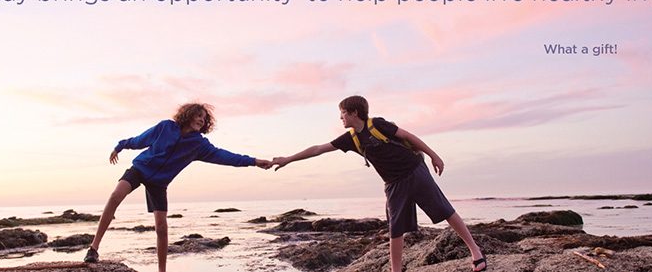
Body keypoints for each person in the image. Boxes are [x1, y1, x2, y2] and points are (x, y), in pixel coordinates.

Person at [272, 95, 487, 272]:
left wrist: (434, 155)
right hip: (393, 184)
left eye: (343, 113)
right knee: (395, 228)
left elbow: (409, 136)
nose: (341, 118)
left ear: (355, 112)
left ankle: (476, 252)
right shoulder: (350, 139)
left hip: (414, 171)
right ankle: (396, 270)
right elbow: (318, 149)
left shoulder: (377, 124)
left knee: (445, 210)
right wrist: (288, 159)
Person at [85, 102, 273, 270]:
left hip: (159, 183)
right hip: (141, 168)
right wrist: (121, 146)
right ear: (188, 114)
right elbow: (141, 140)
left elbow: (226, 157)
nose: (201, 120)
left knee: (161, 227)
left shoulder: (199, 145)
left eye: (204, 119)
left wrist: (254, 161)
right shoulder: (165, 127)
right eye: (199, 115)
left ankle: (162, 271)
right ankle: (94, 248)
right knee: (116, 196)